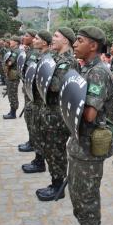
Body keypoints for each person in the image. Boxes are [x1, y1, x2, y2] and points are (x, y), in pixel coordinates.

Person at [58, 26, 113, 225]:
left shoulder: (98, 73)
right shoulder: (86, 68)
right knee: (78, 191)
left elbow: (90, 114)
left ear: (93, 45)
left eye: (79, 40)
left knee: (86, 194)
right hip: (79, 143)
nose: (74, 44)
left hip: (88, 147)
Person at [35, 27, 78, 201]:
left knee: (56, 151)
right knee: (51, 150)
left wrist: (44, 75)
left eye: (56, 36)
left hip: (58, 115)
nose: (52, 38)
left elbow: (54, 86)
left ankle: (58, 187)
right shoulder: (56, 59)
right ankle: (55, 182)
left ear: (66, 41)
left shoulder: (67, 62)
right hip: (50, 112)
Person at [21, 30, 52, 174]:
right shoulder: (41, 56)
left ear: (44, 42)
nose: (33, 40)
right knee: (36, 130)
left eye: (37, 38)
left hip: (41, 103)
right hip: (36, 100)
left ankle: (40, 162)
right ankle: (38, 160)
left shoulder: (47, 58)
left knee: (40, 133)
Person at [18, 29, 39, 154]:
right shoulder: (29, 51)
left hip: (32, 92)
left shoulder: (35, 54)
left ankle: (33, 142)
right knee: (28, 117)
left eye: (26, 36)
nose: (23, 37)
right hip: (27, 90)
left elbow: (31, 73)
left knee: (31, 118)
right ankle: (31, 141)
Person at [3, 36, 21, 119]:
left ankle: (13, 113)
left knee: (12, 94)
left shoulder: (15, 52)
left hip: (13, 76)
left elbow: (10, 63)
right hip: (11, 75)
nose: (10, 41)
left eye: (12, 40)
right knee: (11, 94)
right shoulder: (14, 51)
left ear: (16, 43)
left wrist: (6, 64)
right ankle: (12, 111)